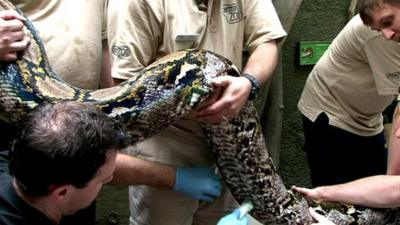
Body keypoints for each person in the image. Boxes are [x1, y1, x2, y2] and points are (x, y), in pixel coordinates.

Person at [0, 1, 229, 224]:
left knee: (75, 200)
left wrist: (118, 111)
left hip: (83, 121)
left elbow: (103, 43)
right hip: (23, 129)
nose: (109, 178)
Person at [107, 0, 287, 224]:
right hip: (168, 148)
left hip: (228, 147)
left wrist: (249, 82)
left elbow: (267, 41)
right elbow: (126, 88)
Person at [0, 101, 250, 225]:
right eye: (104, 180)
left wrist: (176, 178)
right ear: (62, 192)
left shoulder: (25, 161)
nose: (111, 178)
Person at [292, 0, 400, 224]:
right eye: (380, 27)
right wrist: (392, 186)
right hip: (332, 115)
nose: (387, 33)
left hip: (367, 118)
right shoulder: (384, 38)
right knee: (344, 208)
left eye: (389, 22)